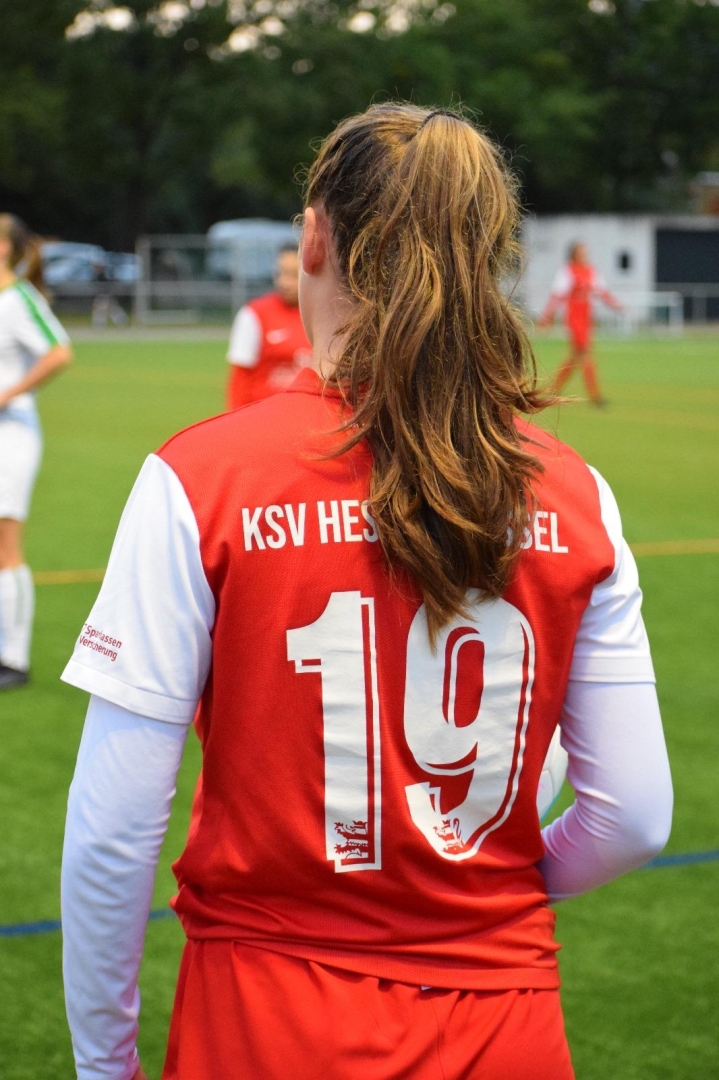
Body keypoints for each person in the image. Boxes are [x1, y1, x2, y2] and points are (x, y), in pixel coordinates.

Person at [61, 105, 672, 1080]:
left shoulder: (201, 478)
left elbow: (112, 829)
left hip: (268, 1018)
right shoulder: (573, 493)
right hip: (505, 1024)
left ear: (314, 237)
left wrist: (104, 1064)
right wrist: (468, 894)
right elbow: (633, 818)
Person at [0, 213, 72, 690]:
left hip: (11, 435)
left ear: (5, 248)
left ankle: (14, 659)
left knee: (6, 547)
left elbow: (59, 351)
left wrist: (8, 394)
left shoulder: (19, 298)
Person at [226, 242, 312, 410]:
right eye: (281, 273)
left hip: (310, 417)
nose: (285, 282)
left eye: (294, 275)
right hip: (265, 415)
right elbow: (239, 378)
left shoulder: (326, 315)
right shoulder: (254, 314)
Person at [539, 242, 622, 406]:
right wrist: (547, 315)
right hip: (574, 317)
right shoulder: (567, 271)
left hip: (586, 316)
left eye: (585, 252)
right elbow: (557, 295)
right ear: (574, 254)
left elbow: (601, 291)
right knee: (584, 353)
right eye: (581, 252)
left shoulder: (591, 270)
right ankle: (595, 396)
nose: (585, 255)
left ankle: (553, 391)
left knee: (576, 357)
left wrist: (614, 303)